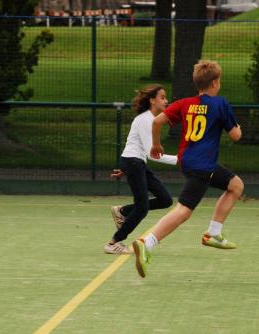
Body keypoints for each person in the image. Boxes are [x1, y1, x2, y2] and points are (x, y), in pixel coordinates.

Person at [132, 60, 244, 277]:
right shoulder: (220, 104)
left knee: (236, 185)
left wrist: (156, 144)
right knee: (184, 211)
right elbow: (236, 135)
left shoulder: (185, 103)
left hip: (188, 161)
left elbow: (157, 122)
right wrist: (237, 125)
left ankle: (213, 233)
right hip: (202, 165)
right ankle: (147, 242)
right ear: (215, 83)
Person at [104, 84, 177, 254]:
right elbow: (152, 153)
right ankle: (114, 242)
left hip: (135, 163)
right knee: (142, 207)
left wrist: (126, 169)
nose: (166, 101)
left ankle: (122, 211)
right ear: (152, 100)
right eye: (162, 97)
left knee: (165, 199)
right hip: (134, 163)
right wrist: (179, 160)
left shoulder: (150, 119)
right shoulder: (146, 120)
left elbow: (140, 149)